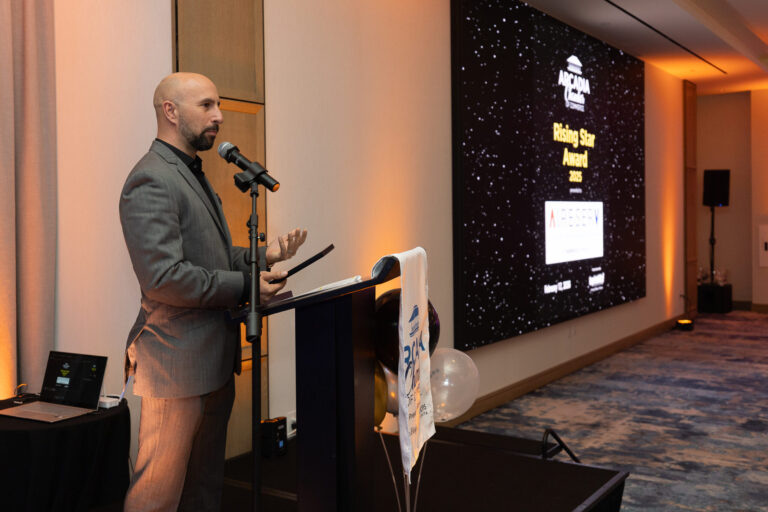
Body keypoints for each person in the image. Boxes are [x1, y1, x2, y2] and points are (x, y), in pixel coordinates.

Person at [119, 72, 307, 511]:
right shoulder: (150, 179)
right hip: (175, 365)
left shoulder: (192, 172)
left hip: (215, 361)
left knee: (204, 489)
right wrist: (247, 285)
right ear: (170, 111)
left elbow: (212, 256)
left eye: (217, 105)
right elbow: (165, 277)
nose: (219, 116)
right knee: (157, 495)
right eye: (206, 105)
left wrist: (266, 255)